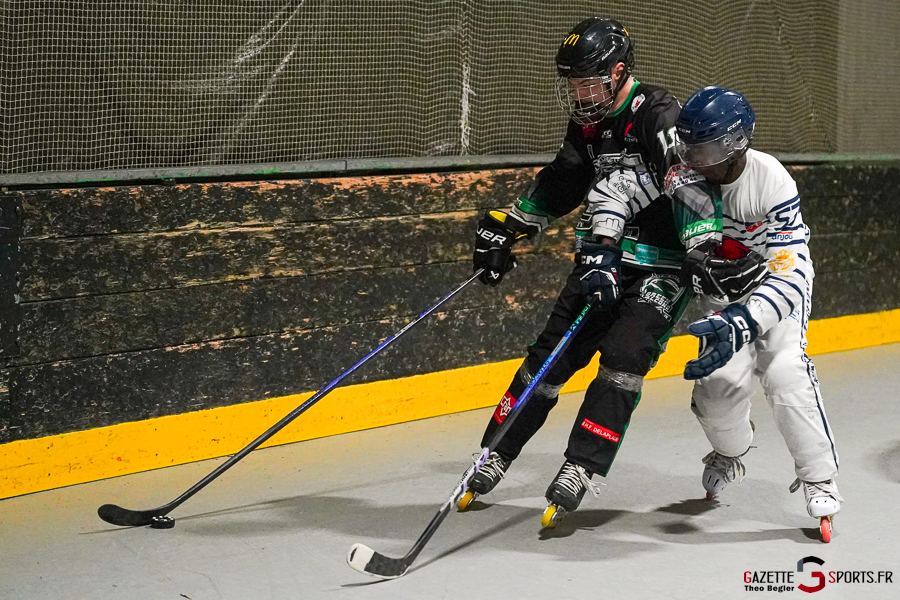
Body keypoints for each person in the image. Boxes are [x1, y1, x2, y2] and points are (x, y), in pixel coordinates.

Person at [462, 18, 766, 527]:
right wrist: (513, 225)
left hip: (661, 269)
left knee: (624, 357)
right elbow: (565, 179)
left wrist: (701, 244)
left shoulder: (656, 113)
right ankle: (495, 450)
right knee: (550, 356)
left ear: (619, 71)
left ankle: (581, 465)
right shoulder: (588, 120)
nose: (580, 95)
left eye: (589, 82)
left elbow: (686, 181)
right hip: (600, 258)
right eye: (573, 85)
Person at [676, 86, 842, 542]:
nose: (697, 160)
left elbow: (789, 270)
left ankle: (818, 478)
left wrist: (746, 321)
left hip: (776, 285)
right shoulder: (684, 176)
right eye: (690, 147)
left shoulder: (772, 180)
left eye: (707, 149)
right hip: (720, 295)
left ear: (736, 143)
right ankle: (730, 453)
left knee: (786, 371)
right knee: (715, 391)